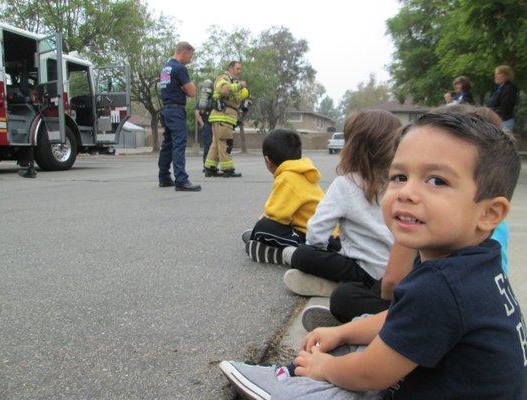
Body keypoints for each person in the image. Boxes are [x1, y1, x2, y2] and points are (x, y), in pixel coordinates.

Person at [219, 110, 525, 399]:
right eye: (399, 176)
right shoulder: (474, 262)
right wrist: (342, 333)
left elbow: (371, 375)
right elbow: (398, 315)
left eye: (436, 180)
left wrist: (324, 368)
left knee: (346, 377)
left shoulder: (443, 285)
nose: (405, 192)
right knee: (366, 326)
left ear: (489, 213)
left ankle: (290, 383)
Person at [281, 110, 401, 325]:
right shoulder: (401, 183)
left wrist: (314, 249)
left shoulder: (346, 183)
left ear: (352, 147)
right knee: (344, 277)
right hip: (395, 273)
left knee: (304, 254)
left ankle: (325, 280)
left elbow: (317, 230)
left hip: (360, 270)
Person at [243, 129, 326, 264]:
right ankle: (265, 242)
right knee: (265, 227)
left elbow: (276, 216)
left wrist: (262, 223)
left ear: (267, 160)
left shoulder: (287, 177)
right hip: (329, 234)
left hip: (317, 240)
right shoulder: (302, 172)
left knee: (262, 227)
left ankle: (272, 248)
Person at [157, 41, 201, 191]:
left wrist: (181, 88)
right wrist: (185, 88)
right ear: (184, 52)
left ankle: (164, 177)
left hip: (166, 110)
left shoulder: (166, 68)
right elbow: (192, 92)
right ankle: (181, 180)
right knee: (179, 144)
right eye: (191, 55)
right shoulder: (179, 68)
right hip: (176, 110)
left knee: (168, 144)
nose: (191, 59)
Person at [203, 61, 249, 178]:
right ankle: (227, 169)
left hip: (222, 117)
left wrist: (243, 93)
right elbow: (224, 90)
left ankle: (210, 168)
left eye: (240, 69)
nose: (240, 71)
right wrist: (240, 86)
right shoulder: (223, 78)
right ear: (230, 68)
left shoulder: (232, 81)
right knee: (226, 142)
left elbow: (236, 97)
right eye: (237, 69)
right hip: (223, 116)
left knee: (216, 143)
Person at [487, 65, 518, 130]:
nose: (495, 76)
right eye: (495, 74)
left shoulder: (509, 89)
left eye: (498, 74)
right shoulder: (498, 88)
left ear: (507, 75)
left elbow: (506, 108)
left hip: (504, 122)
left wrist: (489, 112)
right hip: (496, 121)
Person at [194, 104, 213, 172]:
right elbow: (197, 113)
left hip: (215, 124)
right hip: (207, 125)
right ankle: (206, 166)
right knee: (208, 145)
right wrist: (203, 125)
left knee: (215, 146)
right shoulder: (202, 101)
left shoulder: (215, 99)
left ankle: (212, 166)